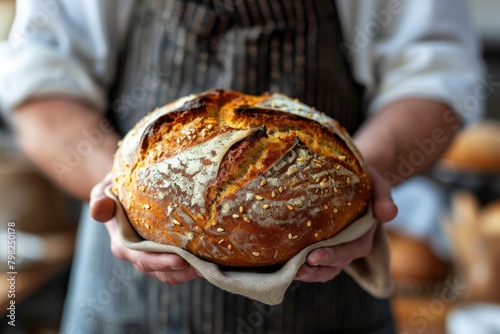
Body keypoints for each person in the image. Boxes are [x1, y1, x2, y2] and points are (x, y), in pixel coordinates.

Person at [0, 0, 484, 333]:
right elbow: (39, 81)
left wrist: (366, 171)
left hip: (331, 288)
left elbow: (434, 74)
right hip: (123, 294)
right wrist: (118, 192)